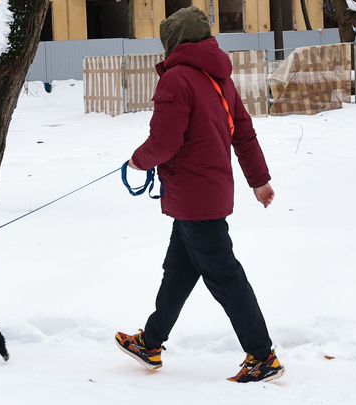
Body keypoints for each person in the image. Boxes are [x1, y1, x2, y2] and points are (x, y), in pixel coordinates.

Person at [114, 6, 284, 383]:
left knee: (225, 276)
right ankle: (151, 342)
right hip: (204, 193)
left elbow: (165, 142)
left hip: (195, 198)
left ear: (173, 42)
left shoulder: (177, 79)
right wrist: (258, 180)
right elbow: (243, 132)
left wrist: (137, 161)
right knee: (177, 271)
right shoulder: (218, 77)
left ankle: (262, 356)